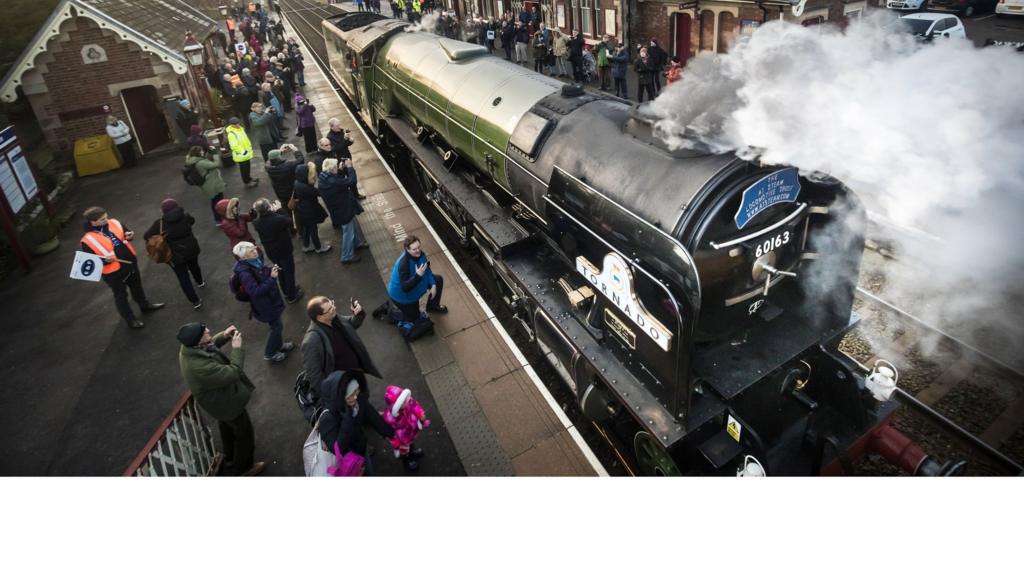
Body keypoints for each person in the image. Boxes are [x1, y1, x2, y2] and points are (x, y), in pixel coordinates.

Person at [177, 322, 265, 476]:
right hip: (226, 404)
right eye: (204, 332)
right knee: (245, 434)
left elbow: (206, 346)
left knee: (226, 427)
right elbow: (233, 373)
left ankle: (229, 457)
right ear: (197, 341)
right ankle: (244, 468)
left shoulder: (188, 347)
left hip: (218, 405)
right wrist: (237, 349)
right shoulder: (200, 367)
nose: (208, 330)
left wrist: (223, 336)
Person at [79, 206, 165, 329]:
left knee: (137, 286)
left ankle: (144, 305)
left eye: (106, 217)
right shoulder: (87, 240)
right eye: (103, 219)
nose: (107, 220)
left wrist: (129, 236)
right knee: (121, 296)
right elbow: (91, 262)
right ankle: (130, 320)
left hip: (129, 262)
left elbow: (126, 234)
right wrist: (104, 260)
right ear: (93, 222)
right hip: (113, 273)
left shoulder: (114, 222)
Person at [317, 371, 394, 476]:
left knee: (370, 472)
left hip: (361, 447)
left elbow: (372, 416)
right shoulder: (327, 419)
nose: (355, 397)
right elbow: (338, 449)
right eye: (351, 395)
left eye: (356, 391)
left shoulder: (356, 400)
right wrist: (348, 418)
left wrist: (392, 435)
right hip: (348, 463)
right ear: (340, 396)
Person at [302, 295, 380, 393]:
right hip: (342, 384)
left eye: (332, 304)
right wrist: (332, 396)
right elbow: (314, 376)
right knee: (356, 402)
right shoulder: (311, 341)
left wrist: (358, 314)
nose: (334, 308)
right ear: (319, 317)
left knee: (363, 394)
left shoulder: (333, 317)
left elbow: (352, 324)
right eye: (330, 309)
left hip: (355, 372)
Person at [231, 241, 294, 362]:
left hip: (270, 301)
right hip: (265, 306)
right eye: (251, 251)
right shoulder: (245, 274)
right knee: (276, 327)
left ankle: (278, 345)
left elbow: (261, 272)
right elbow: (255, 292)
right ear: (243, 257)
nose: (255, 251)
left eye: (254, 248)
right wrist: (272, 278)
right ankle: (270, 353)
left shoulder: (253, 262)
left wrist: (270, 270)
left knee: (277, 326)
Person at [143, 198, 204, 309]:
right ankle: (200, 282)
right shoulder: (185, 216)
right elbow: (193, 221)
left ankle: (195, 301)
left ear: (163, 211)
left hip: (174, 255)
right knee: (194, 266)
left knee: (183, 277)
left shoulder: (159, 223)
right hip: (191, 248)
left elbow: (146, 236)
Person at [252, 198, 303, 303]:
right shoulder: (278, 219)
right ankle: (292, 296)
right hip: (284, 250)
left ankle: (286, 291)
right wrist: (279, 209)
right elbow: (289, 221)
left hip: (271, 252)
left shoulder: (257, 222)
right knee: (289, 272)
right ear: (268, 207)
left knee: (280, 271)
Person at [386, 235, 446, 323]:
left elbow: (427, 270)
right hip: (402, 296)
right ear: (407, 249)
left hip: (415, 285)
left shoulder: (421, 254)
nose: (418, 251)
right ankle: (389, 312)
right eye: (414, 249)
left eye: (418, 247)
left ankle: (433, 306)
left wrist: (433, 284)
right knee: (413, 318)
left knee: (437, 280)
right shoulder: (404, 264)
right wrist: (418, 276)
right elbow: (405, 288)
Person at [318, 158, 367, 264]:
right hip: (343, 209)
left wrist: (339, 170)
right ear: (332, 169)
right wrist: (350, 168)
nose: (337, 168)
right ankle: (347, 256)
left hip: (340, 208)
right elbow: (351, 181)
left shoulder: (323, 177)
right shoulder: (333, 182)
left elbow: (335, 179)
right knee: (348, 232)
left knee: (352, 225)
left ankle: (357, 243)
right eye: (335, 167)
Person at [382, 385, 429, 471]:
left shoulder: (407, 401)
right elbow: (389, 432)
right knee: (404, 451)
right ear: (395, 406)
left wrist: (420, 414)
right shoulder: (389, 418)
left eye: (405, 399)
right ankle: (407, 461)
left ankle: (412, 451)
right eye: (402, 402)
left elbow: (415, 405)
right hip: (401, 440)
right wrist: (395, 443)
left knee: (411, 443)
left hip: (410, 431)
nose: (406, 402)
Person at [293, 162, 331, 253]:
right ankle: (318, 248)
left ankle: (306, 246)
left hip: (302, 210)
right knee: (313, 229)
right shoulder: (305, 187)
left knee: (307, 228)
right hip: (309, 210)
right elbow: (319, 192)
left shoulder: (297, 182)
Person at [185, 145, 228, 225]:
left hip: (207, 185)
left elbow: (206, 161)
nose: (203, 152)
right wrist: (215, 154)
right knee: (218, 201)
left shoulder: (194, 161)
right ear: (197, 153)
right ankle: (219, 219)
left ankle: (218, 218)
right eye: (201, 151)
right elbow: (216, 164)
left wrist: (209, 153)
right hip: (212, 185)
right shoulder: (200, 163)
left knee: (214, 201)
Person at [264, 144, 305, 217]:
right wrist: (295, 150)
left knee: (286, 208)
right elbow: (301, 159)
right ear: (279, 157)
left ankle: (291, 220)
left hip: (280, 193)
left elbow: (268, 161)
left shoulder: (268, 168)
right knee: (298, 207)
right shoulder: (288, 166)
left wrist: (279, 151)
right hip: (292, 192)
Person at [225, 116, 259, 188]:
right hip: (241, 155)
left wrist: (249, 146)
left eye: (238, 123)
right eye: (236, 124)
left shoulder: (241, 129)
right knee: (244, 169)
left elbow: (245, 139)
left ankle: (249, 178)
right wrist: (243, 152)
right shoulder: (231, 134)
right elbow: (234, 146)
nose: (238, 125)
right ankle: (247, 182)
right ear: (232, 125)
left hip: (246, 153)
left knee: (247, 167)